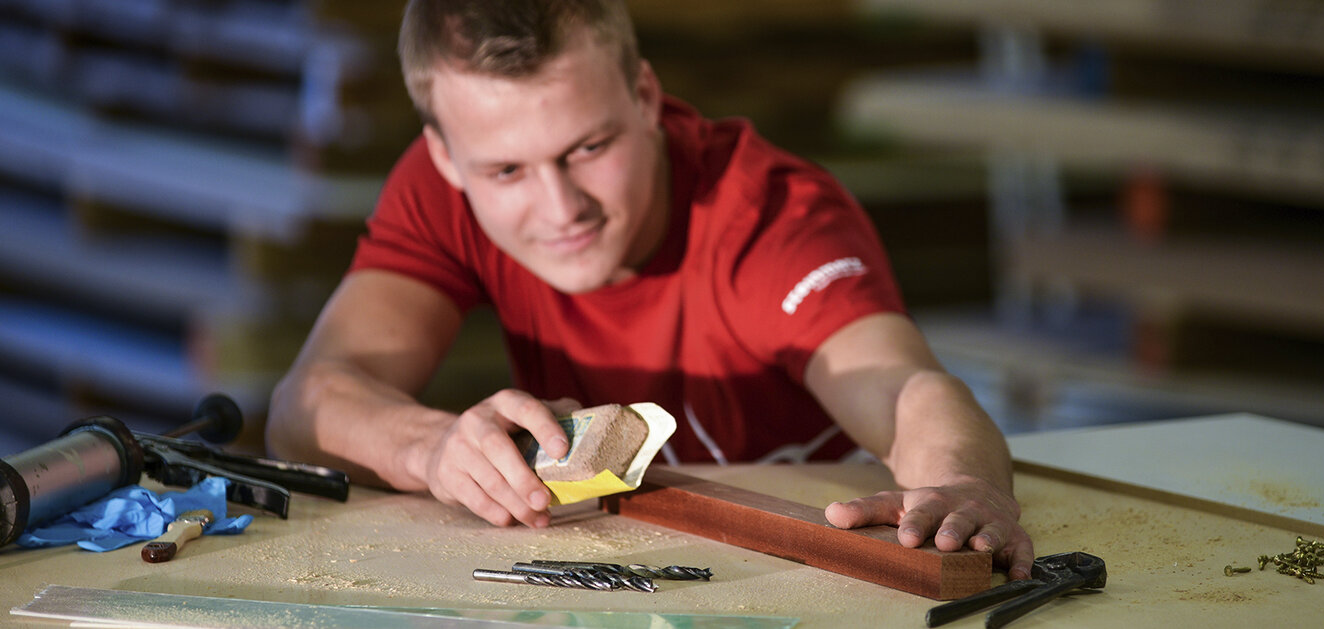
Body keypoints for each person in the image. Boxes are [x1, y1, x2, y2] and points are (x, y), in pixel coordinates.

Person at [267, 0, 1034, 579]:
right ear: (444, 156)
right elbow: (306, 404)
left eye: (588, 147)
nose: (561, 208)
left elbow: (903, 389)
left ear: (643, 93)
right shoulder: (444, 192)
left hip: (804, 580)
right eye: (506, 171)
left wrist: (961, 484)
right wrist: (431, 447)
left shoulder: (768, 216)